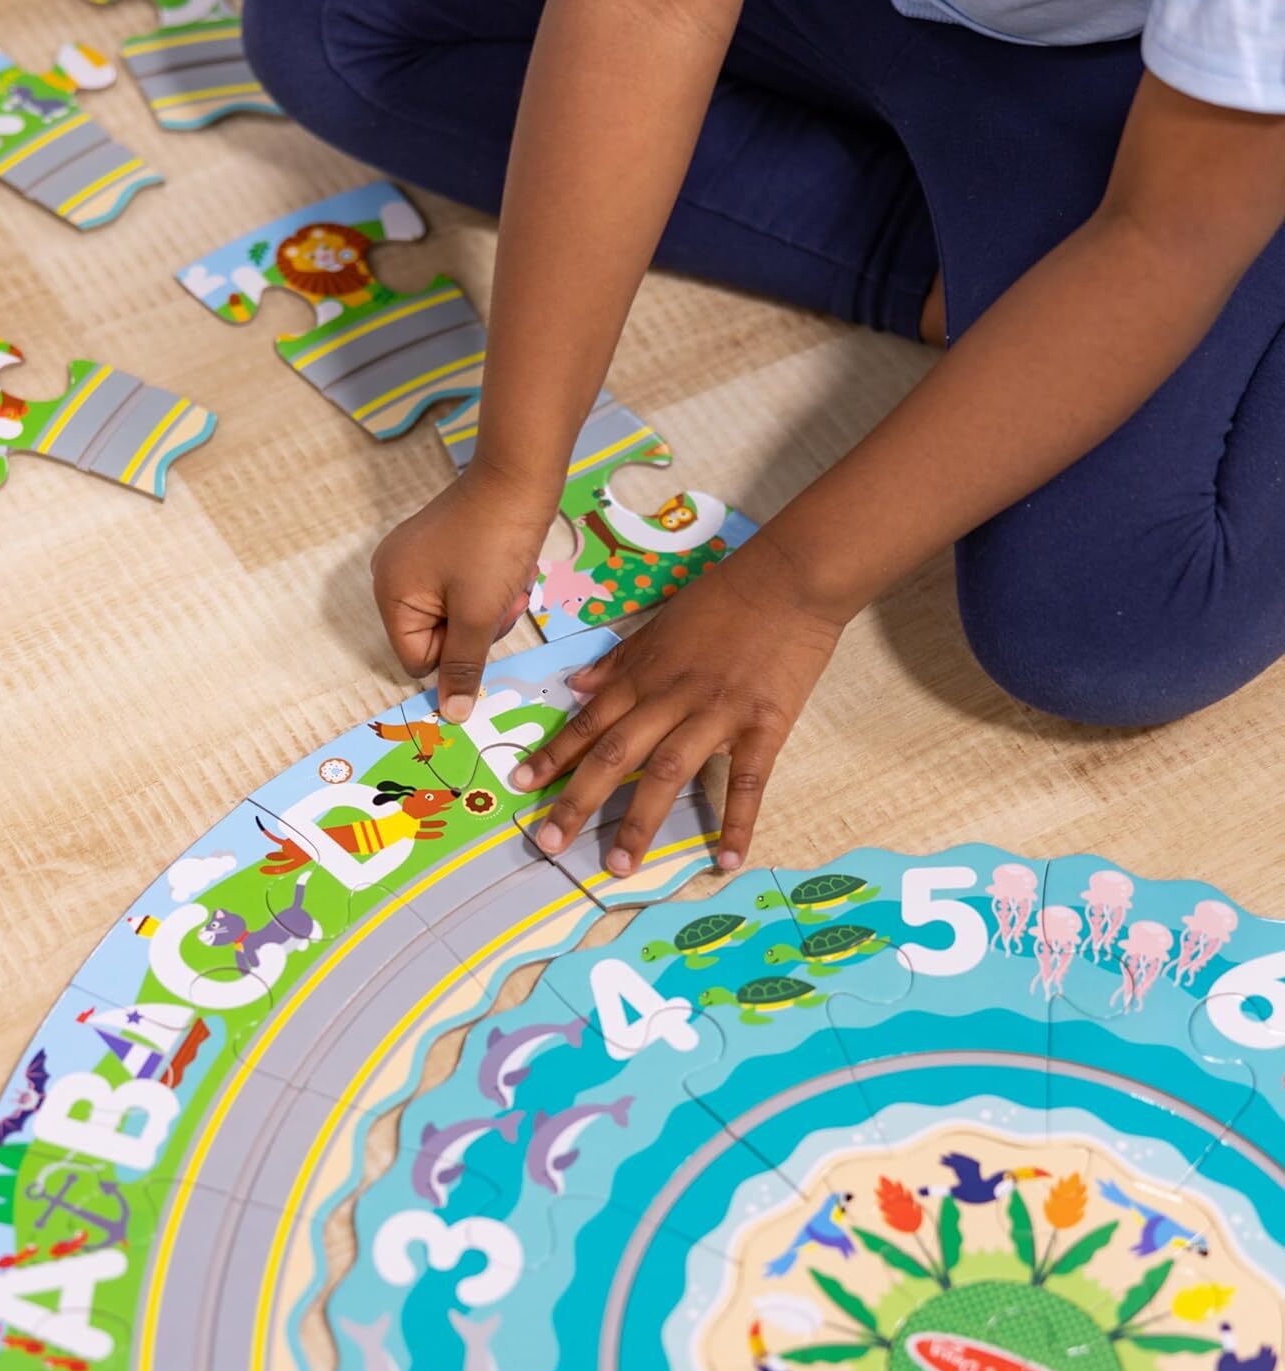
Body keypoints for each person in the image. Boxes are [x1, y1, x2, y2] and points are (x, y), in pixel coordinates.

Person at [244, 0, 1285, 875]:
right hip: (895, 31)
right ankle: (968, 278)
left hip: (1157, 120)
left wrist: (790, 589)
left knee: (1111, 625)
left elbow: (1166, 234)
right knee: (331, 28)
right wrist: (514, 471)